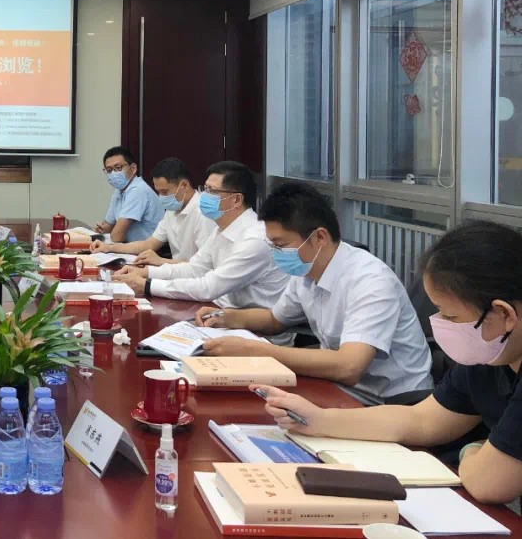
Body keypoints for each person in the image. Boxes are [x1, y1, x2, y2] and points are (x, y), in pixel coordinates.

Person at [257, 220, 522, 504]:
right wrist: (317, 419)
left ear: (504, 314)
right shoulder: (488, 353)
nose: (440, 324)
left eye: (450, 316)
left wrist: (471, 448)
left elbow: (488, 484)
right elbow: (422, 420)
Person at [193, 182, 432, 403]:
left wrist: (257, 351)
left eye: (281, 245)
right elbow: (275, 319)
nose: (275, 253)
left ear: (319, 237)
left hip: (391, 401)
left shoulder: (370, 281)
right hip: (337, 387)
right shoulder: (307, 270)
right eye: (271, 245)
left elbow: (349, 366)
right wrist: (227, 317)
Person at [115, 161, 289, 316]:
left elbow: (208, 287)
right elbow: (194, 268)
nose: (204, 196)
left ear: (236, 199)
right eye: (205, 189)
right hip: (221, 313)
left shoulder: (255, 239)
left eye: (212, 191)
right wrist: (146, 272)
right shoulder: (221, 229)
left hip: (254, 331)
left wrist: (147, 285)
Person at [90, 157, 214, 262]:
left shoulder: (203, 214)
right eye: (158, 192)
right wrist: (109, 248)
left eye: (165, 192)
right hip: (176, 273)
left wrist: (160, 261)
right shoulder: (172, 210)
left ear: (184, 185)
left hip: (194, 279)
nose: (161, 197)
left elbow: (203, 267)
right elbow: (148, 244)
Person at [94, 146, 164, 244]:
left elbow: (117, 237)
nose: (113, 174)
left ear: (133, 168)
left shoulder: (138, 190)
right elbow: (109, 225)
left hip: (152, 249)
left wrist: (113, 231)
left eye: (118, 168)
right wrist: (101, 227)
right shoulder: (119, 190)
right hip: (132, 247)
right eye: (109, 170)